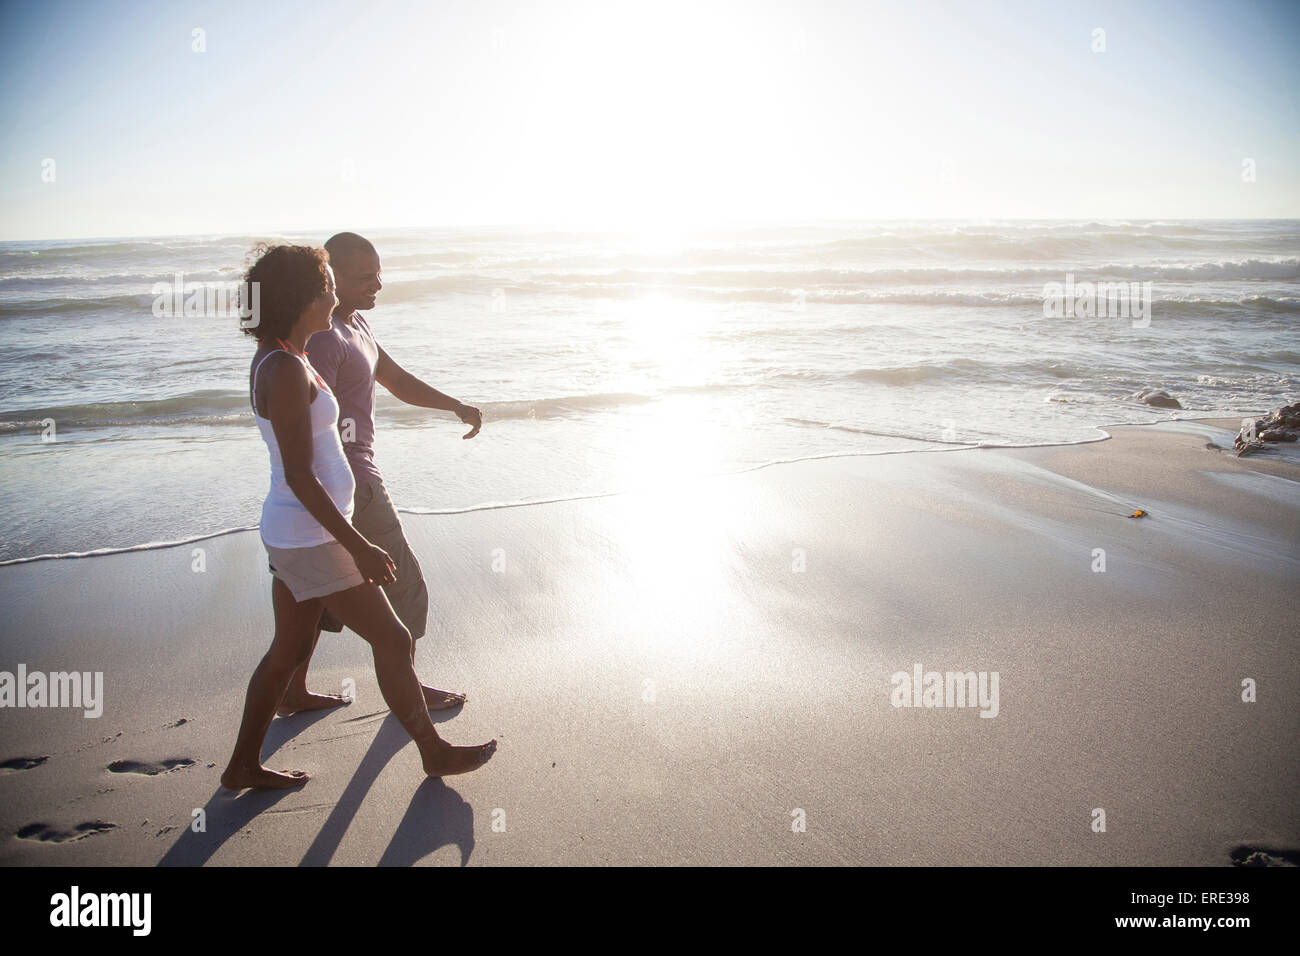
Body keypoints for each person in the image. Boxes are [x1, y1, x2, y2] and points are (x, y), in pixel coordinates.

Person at [221, 243, 495, 790]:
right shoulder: (284, 368)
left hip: (297, 531)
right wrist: (358, 544)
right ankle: (433, 752)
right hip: (311, 533)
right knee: (391, 639)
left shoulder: (290, 355)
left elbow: (377, 388)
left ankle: (242, 766)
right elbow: (301, 476)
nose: (332, 294)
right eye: (327, 284)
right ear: (304, 296)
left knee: (290, 649)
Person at [272, 231, 479, 717]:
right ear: (332, 277)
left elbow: (397, 379)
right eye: (366, 277)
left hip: (339, 481)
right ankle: (410, 690)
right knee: (402, 583)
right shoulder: (322, 339)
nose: (379, 284)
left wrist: (453, 405)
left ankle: (293, 691)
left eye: (379, 273)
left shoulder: (355, 324)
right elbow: (299, 414)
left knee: (317, 595)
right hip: (350, 480)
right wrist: (324, 476)